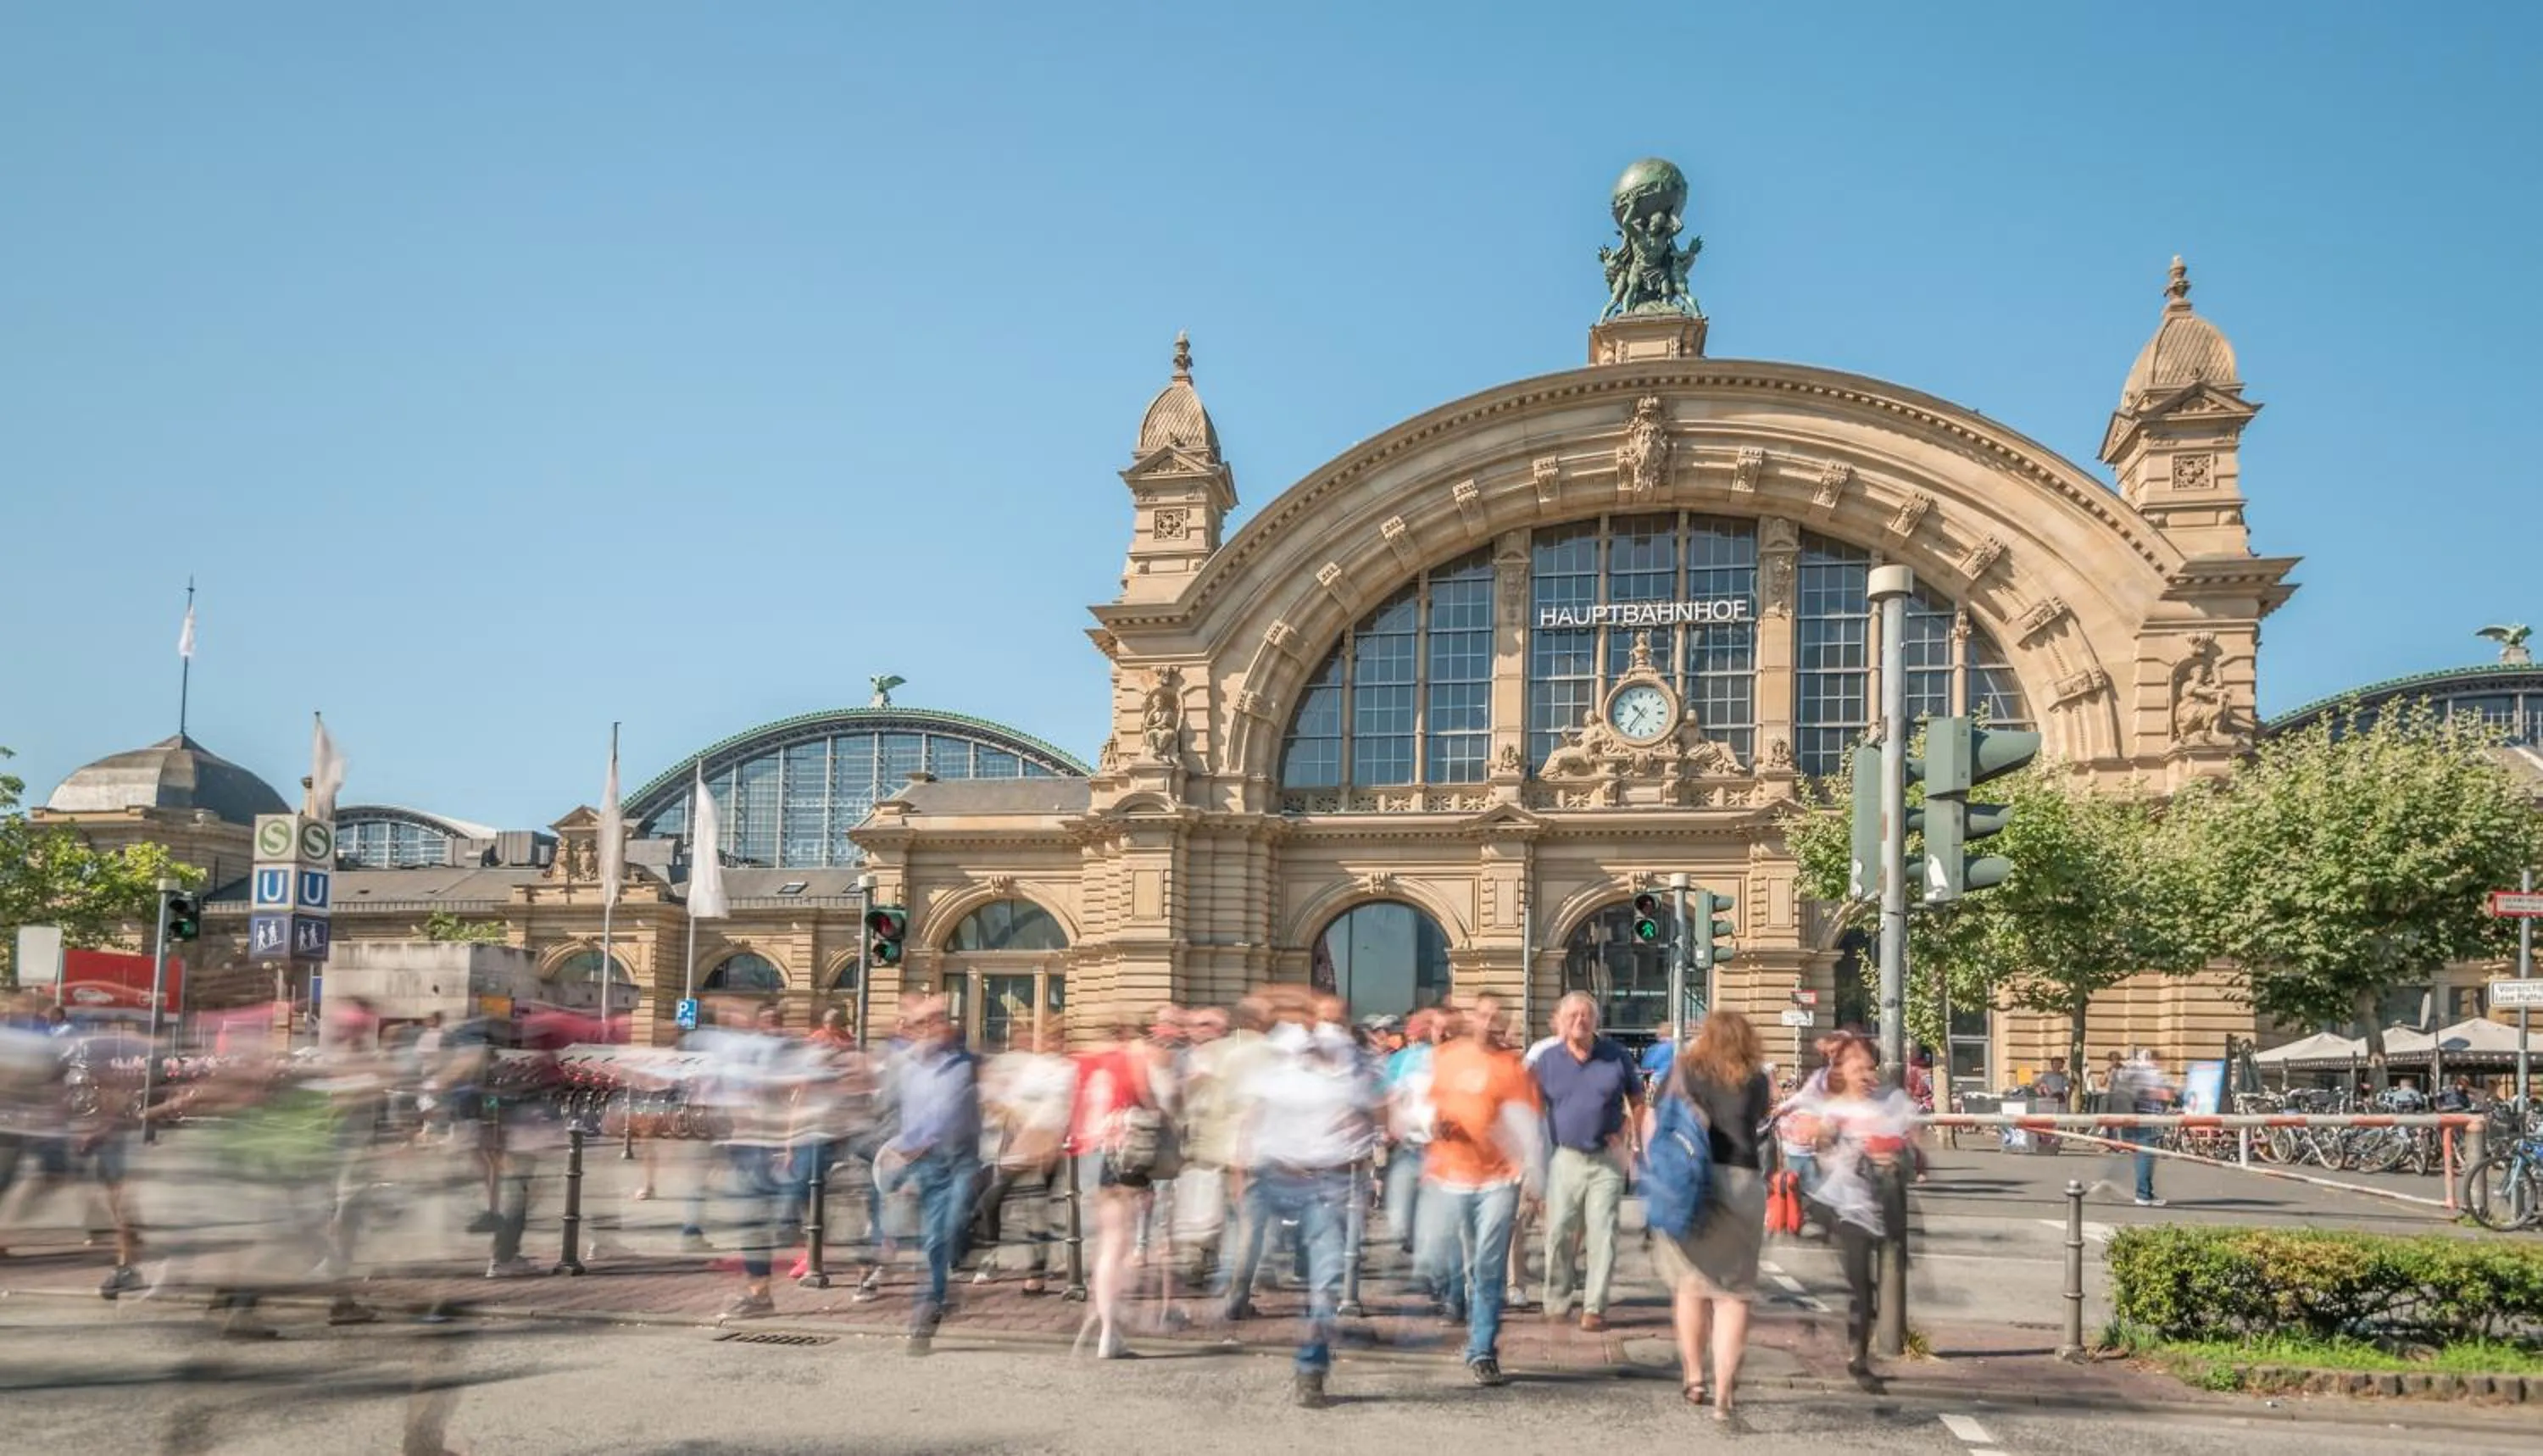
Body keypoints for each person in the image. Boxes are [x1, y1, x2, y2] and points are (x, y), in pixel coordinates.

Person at [1233, 988, 1381, 1409]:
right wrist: (1241, 1163)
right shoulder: (1285, 1052)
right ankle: (1237, 1297)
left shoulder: (1354, 1061)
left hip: (1332, 1183)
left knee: (1326, 1281)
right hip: (1281, 1176)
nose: (1329, 1027)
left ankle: (1311, 1367)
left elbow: (1374, 1109)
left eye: (1337, 1020)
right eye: (1323, 1018)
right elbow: (1256, 1109)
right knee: (1254, 1250)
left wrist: (1366, 1144)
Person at [1653, 1011, 1772, 1424]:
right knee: (1733, 1292)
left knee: (1690, 1286)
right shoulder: (1757, 1079)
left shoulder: (1686, 1070)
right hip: (1743, 1183)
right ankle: (1724, 1393)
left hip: (1693, 1181)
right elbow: (1758, 1120)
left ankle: (1694, 1378)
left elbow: (1662, 1116)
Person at [1419, 994, 1539, 1387]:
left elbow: (1529, 1126)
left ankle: (1482, 1351)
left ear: (1504, 1023)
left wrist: (1534, 1178)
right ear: (1473, 1018)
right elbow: (1423, 1106)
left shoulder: (1513, 1068)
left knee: (1488, 1268)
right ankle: (1454, 1298)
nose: (1488, 1023)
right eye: (1483, 1015)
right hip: (1451, 1175)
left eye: (1496, 1017)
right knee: (1451, 1258)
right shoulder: (1446, 1057)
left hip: (1498, 1181)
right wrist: (1432, 1125)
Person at [1801, 1033, 1917, 1387]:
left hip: (1886, 1203)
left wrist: (1897, 1156)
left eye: (1869, 1068)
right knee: (1860, 1283)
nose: (1865, 1075)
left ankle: (1867, 1333)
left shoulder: (1893, 1102)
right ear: (1842, 1071)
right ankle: (1858, 1356)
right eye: (1856, 1068)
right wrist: (1827, 1138)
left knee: (1886, 1275)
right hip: (1845, 1205)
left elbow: (1914, 1150)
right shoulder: (1835, 1107)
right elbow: (1820, 1148)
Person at [1530, 992, 1642, 1331]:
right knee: (1559, 1232)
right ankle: (1556, 1300)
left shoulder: (1616, 1056)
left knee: (1603, 1232)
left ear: (1596, 1020)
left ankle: (1594, 1307)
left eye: (1586, 1015)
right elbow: (1531, 1106)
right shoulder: (1547, 1060)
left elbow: (1637, 1100)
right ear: (1562, 1021)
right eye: (1573, 1015)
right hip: (1565, 1158)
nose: (1580, 1020)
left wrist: (1630, 1136)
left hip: (1606, 1160)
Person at [885, 996, 980, 1353]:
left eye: (938, 1020)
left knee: (954, 1226)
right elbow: (893, 1109)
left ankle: (946, 1280)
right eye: (923, 1023)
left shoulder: (968, 1060)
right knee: (935, 1238)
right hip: (928, 1161)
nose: (931, 1027)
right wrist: (902, 1150)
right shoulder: (906, 1065)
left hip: (963, 1157)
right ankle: (929, 1308)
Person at [1381, 1007, 1444, 1264]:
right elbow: (1389, 1094)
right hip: (1408, 1146)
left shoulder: (1451, 1060)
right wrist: (1390, 1126)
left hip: (1441, 1149)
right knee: (1401, 1223)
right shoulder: (1403, 1059)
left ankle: (1432, 1265)